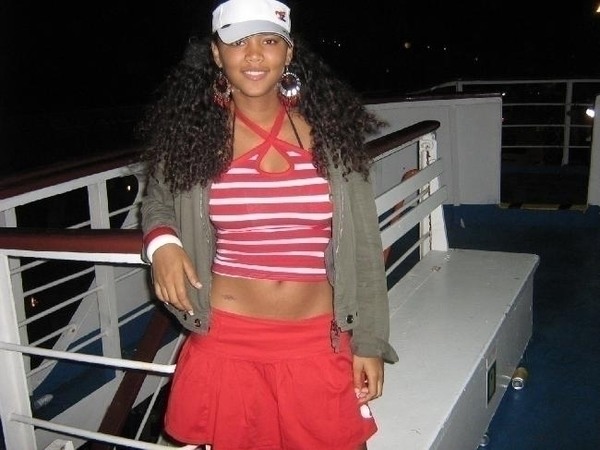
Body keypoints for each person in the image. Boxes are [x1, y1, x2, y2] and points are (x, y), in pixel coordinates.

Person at [139, 0, 398, 448]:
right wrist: (162, 244)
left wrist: (370, 342)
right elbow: (157, 200)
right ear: (216, 54)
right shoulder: (192, 138)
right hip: (228, 338)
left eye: (269, 41)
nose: (254, 54)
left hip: (319, 337)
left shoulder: (332, 135)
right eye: (238, 42)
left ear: (288, 52)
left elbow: (364, 246)